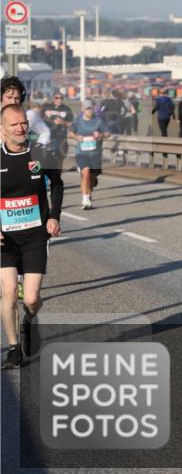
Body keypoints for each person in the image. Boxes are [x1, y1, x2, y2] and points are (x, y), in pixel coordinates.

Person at [1, 104, 63, 369]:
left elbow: (57, 184)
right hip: (5, 239)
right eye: (14, 124)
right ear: (2, 129)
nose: (20, 128)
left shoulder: (40, 153)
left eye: (23, 122)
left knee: (31, 299)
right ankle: (14, 349)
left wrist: (54, 216)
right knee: (8, 292)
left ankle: (29, 318)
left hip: (35, 236)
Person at [69, 100, 106, 210]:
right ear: (82, 109)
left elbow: (107, 133)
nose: (89, 111)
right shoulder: (77, 121)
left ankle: (89, 193)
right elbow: (70, 132)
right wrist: (76, 137)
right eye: (87, 109)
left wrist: (100, 134)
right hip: (81, 153)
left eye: (90, 108)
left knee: (92, 177)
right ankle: (85, 200)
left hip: (95, 153)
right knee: (85, 173)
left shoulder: (98, 121)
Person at [2, 77, 50, 148]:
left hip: (20, 156)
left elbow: (45, 132)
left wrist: (38, 148)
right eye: (9, 97)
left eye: (17, 98)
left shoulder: (30, 115)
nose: (13, 102)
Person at [42, 92, 73, 170]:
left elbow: (71, 124)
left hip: (61, 138)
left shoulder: (67, 109)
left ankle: (58, 179)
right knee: (47, 159)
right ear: (53, 98)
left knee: (60, 160)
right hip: (48, 138)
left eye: (61, 98)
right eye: (56, 98)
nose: (59, 100)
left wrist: (63, 122)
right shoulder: (46, 107)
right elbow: (39, 119)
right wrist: (52, 121)